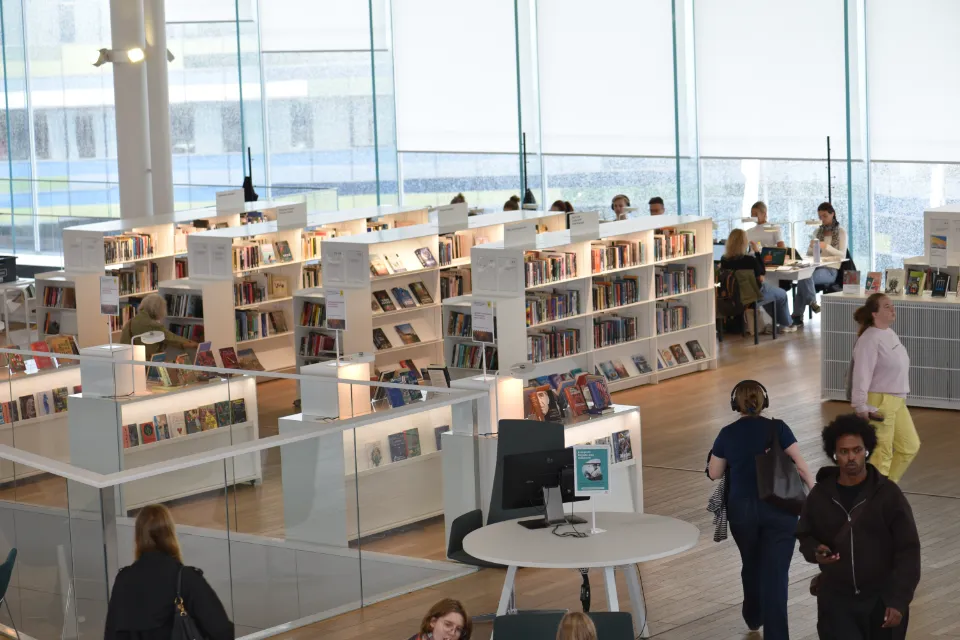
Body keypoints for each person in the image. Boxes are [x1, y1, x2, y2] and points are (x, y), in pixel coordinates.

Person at [797, 415, 921, 640]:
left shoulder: (888, 495)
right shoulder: (820, 496)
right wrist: (816, 551)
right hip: (836, 602)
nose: (851, 457)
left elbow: (908, 550)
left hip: (881, 601)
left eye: (857, 450)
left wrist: (899, 601)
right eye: (844, 452)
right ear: (834, 455)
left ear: (867, 450)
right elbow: (805, 536)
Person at [708, 380, 814, 639]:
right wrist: (815, 494)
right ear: (764, 401)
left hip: (742, 512)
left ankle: (753, 615)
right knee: (776, 574)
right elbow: (800, 466)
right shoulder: (778, 428)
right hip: (780, 509)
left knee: (751, 562)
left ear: (735, 404)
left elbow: (714, 473)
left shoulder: (727, 433)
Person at [105, 504, 233, 640]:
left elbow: (112, 634)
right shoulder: (186, 578)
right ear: (170, 534)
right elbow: (221, 630)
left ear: (138, 537)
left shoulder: (123, 580)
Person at [850, 293, 919, 483]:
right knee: (882, 454)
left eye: (892, 305)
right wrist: (860, 405)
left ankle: (888, 490)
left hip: (896, 401)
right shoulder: (869, 339)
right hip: (879, 401)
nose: (892, 309)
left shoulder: (888, 333)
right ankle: (877, 499)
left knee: (909, 446)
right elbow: (861, 374)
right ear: (874, 313)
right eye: (887, 306)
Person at [721, 229, 797, 333]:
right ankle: (786, 324)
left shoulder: (724, 260)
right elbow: (762, 272)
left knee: (771, 293)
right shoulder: (749, 260)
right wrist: (757, 252)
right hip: (753, 295)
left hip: (734, 296)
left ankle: (778, 323)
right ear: (744, 242)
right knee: (782, 294)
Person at [794, 202, 847, 318]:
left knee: (805, 277)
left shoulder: (841, 232)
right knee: (804, 276)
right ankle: (811, 303)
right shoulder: (817, 232)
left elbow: (842, 255)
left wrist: (826, 246)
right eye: (820, 217)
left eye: (825, 216)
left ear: (832, 214)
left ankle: (797, 316)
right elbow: (809, 254)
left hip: (831, 270)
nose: (822, 219)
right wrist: (812, 247)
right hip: (816, 267)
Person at [119, 293, 199, 359]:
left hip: (127, 363)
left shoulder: (129, 323)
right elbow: (172, 338)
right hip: (145, 364)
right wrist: (194, 344)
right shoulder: (152, 325)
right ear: (158, 309)